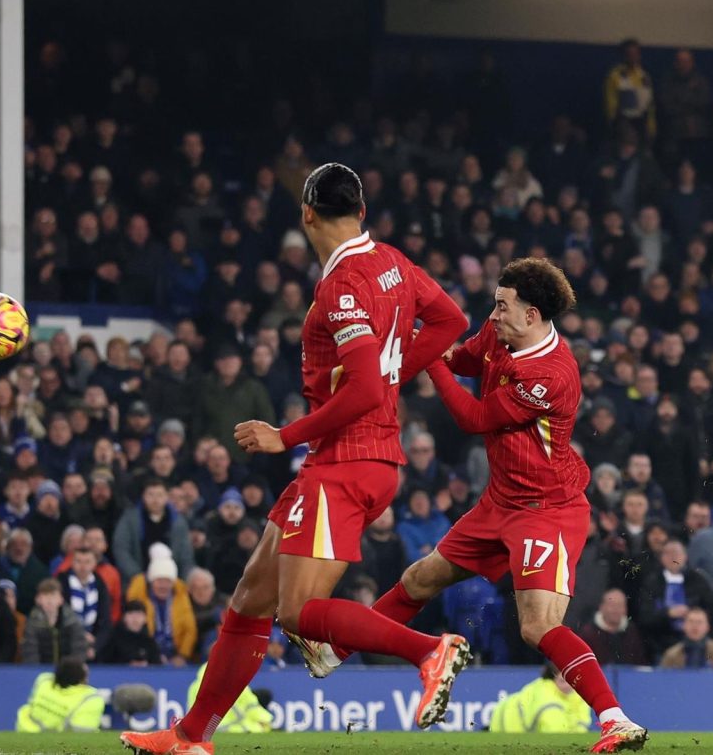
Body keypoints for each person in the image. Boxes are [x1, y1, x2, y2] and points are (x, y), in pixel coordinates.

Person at [122, 162, 470, 755]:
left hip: (345, 462)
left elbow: (365, 388)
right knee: (249, 601)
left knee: (300, 614)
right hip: (357, 458)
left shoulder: (341, 285)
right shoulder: (392, 262)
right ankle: (190, 737)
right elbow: (451, 321)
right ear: (361, 211)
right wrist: (396, 373)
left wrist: (285, 436)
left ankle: (429, 651)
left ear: (306, 213)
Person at [299, 258, 648, 753]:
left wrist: (429, 356)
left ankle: (615, 719)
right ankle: (334, 650)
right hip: (499, 502)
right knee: (420, 579)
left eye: (502, 306)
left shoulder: (551, 374)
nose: (494, 313)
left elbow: (474, 416)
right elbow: (464, 360)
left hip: (545, 510)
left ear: (531, 315)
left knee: (538, 626)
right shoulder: (500, 331)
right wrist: (413, 343)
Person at [490, 665, 593, 734]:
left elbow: (581, 725)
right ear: (551, 679)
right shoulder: (547, 699)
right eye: (562, 681)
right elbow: (557, 737)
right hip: (503, 727)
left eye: (571, 679)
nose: (568, 685)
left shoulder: (578, 695)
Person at [16, 655, 104, 732]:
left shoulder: (44, 680)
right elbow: (84, 731)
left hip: (24, 730)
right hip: (55, 742)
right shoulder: (89, 698)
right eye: (86, 676)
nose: (87, 680)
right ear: (81, 680)